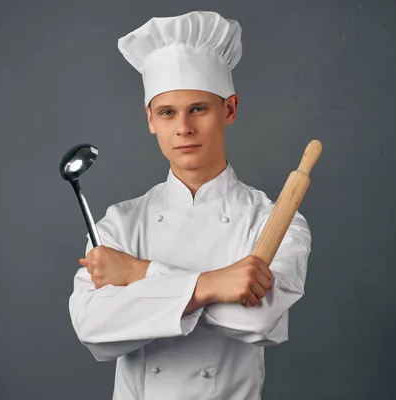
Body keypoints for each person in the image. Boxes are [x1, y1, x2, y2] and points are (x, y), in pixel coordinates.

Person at [68, 10, 312, 400]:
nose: (184, 127)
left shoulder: (275, 221)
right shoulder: (118, 224)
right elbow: (94, 327)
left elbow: (258, 321)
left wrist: (139, 274)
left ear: (229, 109)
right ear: (151, 119)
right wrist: (211, 285)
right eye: (167, 112)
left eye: (198, 108)